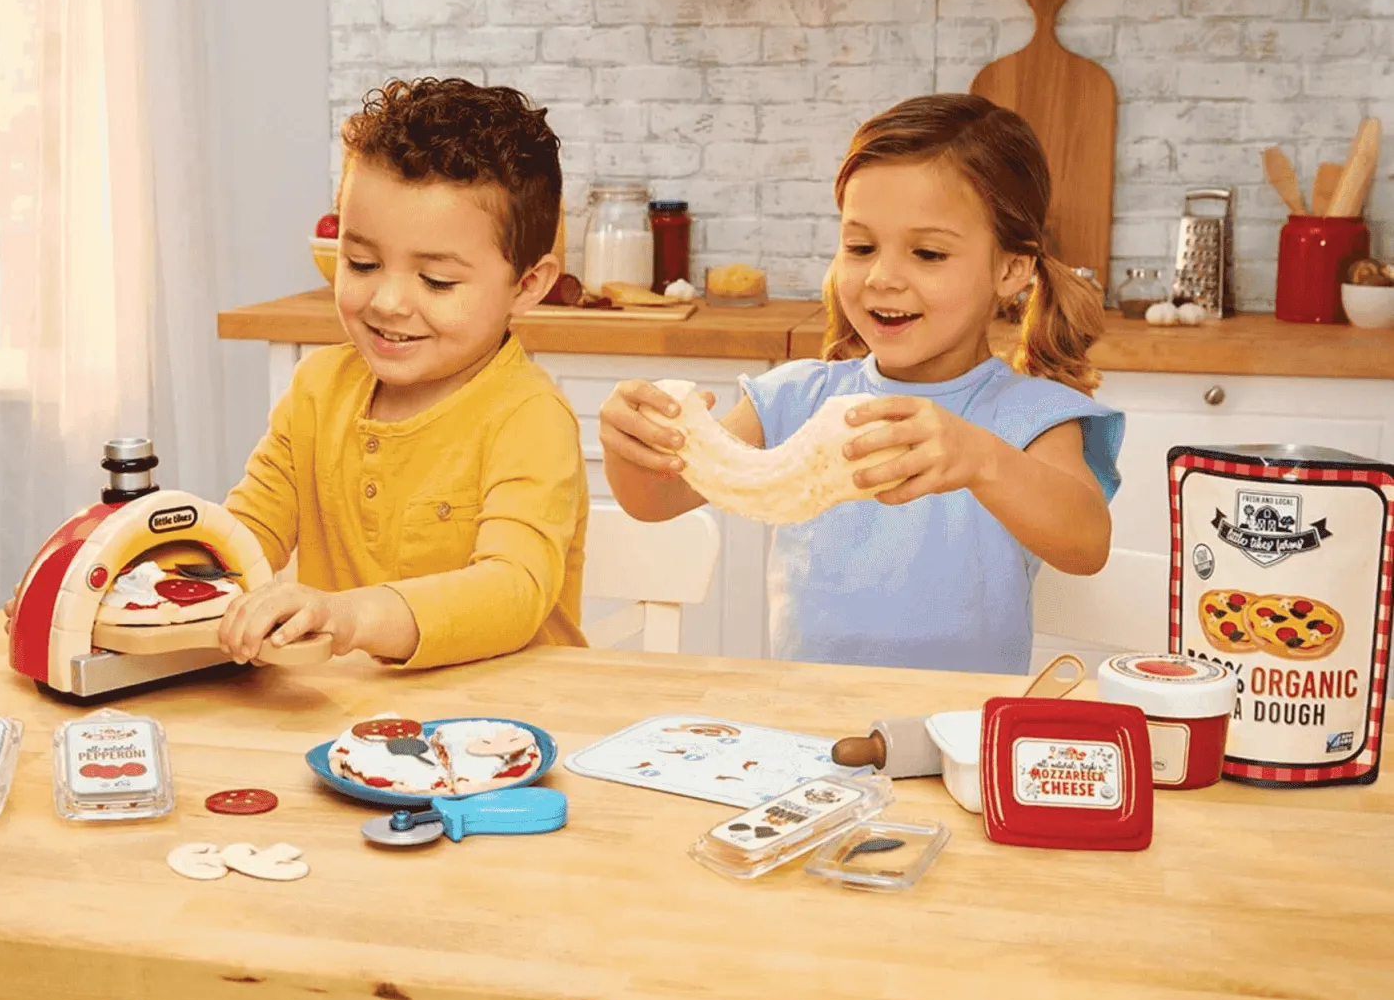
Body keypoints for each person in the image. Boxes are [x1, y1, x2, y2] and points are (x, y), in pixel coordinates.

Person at [598, 93, 1124, 674]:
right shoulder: (795, 398)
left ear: (1011, 269)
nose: (882, 277)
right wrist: (633, 446)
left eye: (928, 253)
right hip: (810, 718)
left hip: (961, 723)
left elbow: (1086, 544)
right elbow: (657, 500)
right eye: (860, 247)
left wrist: (981, 460)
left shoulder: (1029, 416)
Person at [217, 76, 589, 667]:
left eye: (437, 281)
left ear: (527, 285)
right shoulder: (316, 390)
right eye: (362, 263)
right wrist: (165, 569)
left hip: (508, 715)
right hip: (351, 709)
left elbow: (512, 589)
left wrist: (351, 616)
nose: (388, 302)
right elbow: (242, 539)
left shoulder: (529, 417)